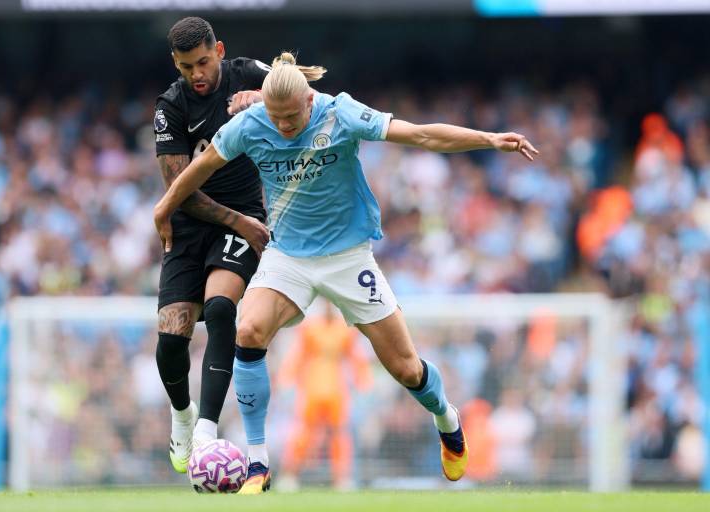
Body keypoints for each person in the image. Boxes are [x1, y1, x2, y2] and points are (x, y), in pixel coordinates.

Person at [154, 51, 539, 493]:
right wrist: (164, 206)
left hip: (348, 258)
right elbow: (197, 169)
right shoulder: (250, 123)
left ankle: (446, 418)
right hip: (288, 256)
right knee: (249, 329)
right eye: (274, 116)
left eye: (290, 117)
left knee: (405, 369)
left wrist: (489, 140)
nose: (281, 126)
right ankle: (258, 463)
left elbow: (421, 136)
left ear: (310, 101)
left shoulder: (342, 113)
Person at [152, 16, 270, 474]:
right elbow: (180, 188)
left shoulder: (247, 73)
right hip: (189, 225)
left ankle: (205, 431)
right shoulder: (170, 106)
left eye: (202, 62)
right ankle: (182, 415)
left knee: (221, 310)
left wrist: (265, 95)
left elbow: (308, 92)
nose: (196, 74)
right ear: (176, 65)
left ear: (218, 50)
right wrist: (239, 219)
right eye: (186, 68)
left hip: (241, 224)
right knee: (170, 340)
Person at [278, 301, 372, 489]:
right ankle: (290, 474)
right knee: (304, 431)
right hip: (311, 387)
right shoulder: (309, 328)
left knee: (339, 433)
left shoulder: (345, 330)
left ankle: (342, 478)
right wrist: (287, 379)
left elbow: (356, 358)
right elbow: (297, 356)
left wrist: (363, 383)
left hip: (337, 388)